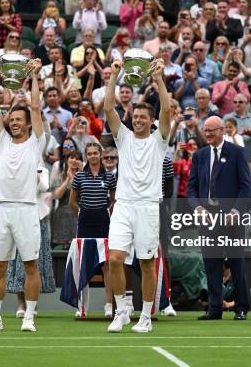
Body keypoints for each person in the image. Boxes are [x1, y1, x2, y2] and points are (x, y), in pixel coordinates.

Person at [0, 58, 45, 333]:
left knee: (30, 266)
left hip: (26, 209)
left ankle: (29, 317)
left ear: (28, 124)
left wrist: (34, 76)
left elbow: (36, 106)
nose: (13, 123)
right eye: (11, 119)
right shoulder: (1, 142)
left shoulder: (37, 142)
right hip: (2, 210)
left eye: (18, 120)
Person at [104, 57, 170, 333]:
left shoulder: (160, 139)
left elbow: (167, 107)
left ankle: (145, 317)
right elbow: (108, 106)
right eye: (136, 116)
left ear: (152, 121)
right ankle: (121, 312)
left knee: (146, 262)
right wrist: (115, 75)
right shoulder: (124, 137)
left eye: (144, 117)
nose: (139, 119)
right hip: (123, 205)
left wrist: (158, 79)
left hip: (147, 207)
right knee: (115, 259)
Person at [187, 116, 251, 320]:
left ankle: (241, 307)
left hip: (231, 217)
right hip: (207, 218)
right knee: (211, 263)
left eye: (211, 130)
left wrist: (236, 211)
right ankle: (214, 308)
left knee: (236, 262)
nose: (207, 134)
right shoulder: (200, 155)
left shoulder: (237, 152)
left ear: (222, 130)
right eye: (205, 130)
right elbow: (191, 188)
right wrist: (197, 207)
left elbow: (245, 186)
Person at [69, 142, 116, 317]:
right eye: (89, 153)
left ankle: (109, 305)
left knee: (106, 265)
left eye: (96, 153)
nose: (93, 156)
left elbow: (114, 200)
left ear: (100, 155)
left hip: (104, 222)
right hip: (85, 223)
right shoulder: (80, 176)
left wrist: (107, 211)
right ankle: (81, 307)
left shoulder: (110, 176)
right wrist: (82, 212)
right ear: (86, 156)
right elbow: (72, 201)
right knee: (83, 264)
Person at [6, 163, 57, 319]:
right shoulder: (13, 167)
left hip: (37, 219)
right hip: (17, 217)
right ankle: (21, 304)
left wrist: (31, 169)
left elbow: (43, 186)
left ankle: (32, 304)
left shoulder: (42, 169)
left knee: (35, 263)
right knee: (19, 262)